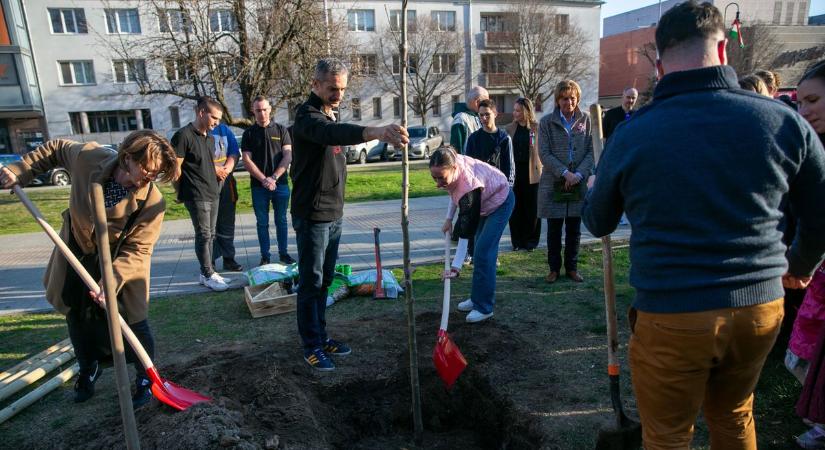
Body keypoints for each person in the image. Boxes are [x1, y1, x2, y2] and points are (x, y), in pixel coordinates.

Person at [582, 2, 825, 448]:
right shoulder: (783, 121)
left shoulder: (635, 133)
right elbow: (821, 207)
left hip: (674, 311)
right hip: (758, 308)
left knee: (669, 434)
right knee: (733, 416)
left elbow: (598, 220)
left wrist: (597, 184)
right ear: (724, 53)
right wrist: (801, 261)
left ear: (659, 63)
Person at [0, 131, 179, 408]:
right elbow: (56, 149)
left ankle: (145, 378)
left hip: (120, 261)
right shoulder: (89, 158)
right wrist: (20, 171)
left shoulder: (151, 201)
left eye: (155, 175)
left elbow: (139, 250)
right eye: (147, 170)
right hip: (76, 250)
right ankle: (88, 368)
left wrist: (111, 281)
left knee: (133, 321)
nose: (149, 179)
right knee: (77, 314)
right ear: (128, 157)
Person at [291, 58, 408, 371]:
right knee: (311, 282)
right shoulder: (306, 116)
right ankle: (311, 345)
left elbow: (335, 132)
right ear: (315, 84)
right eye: (332, 88)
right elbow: (332, 133)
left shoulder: (330, 113)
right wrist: (376, 132)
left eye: (342, 89)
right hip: (312, 214)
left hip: (334, 214)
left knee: (325, 280)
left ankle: (321, 335)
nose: (337, 94)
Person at [434, 146, 514, 323]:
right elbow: (453, 193)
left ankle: (484, 307)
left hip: (501, 202)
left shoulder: (468, 186)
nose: (438, 183)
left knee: (484, 253)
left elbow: (466, 231)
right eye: (435, 177)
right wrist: (448, 219)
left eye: (441, 178)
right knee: (479, 252)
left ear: (454, 168)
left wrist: (456, 267)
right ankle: (477, 298)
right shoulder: (451, 164)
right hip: (483, 203)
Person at [791, 60, 825, 449]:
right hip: (818, 271)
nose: (805, 112)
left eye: (813, 100)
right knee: (804, 357)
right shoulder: (812, 146)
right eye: (800, 103)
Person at [537, 79, 594, 284]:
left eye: (572, 98)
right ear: (557, 100)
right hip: (554, 181)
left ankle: (572, 268)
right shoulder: (545, 122)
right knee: (553, 230)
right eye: (564, 98)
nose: (568, 102)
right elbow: (544, 153)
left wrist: (578, 174)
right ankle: (553, 269)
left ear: (577, 99)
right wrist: (564, 173)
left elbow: (591, 150)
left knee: (574, 229)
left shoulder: (587, 120)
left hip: (578, 182)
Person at [172, 96, 229, 292]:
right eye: (214, 118)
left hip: (213, 191)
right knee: (204, 234)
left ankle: (209, 272)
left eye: (219, 119)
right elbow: (175, 168)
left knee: (211, 235)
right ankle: (207, 273)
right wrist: (179, 192)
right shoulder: (183, 136)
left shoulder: (209, 137)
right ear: (201, 112)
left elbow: (204, 163)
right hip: (195, 194)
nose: (217, 123)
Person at [242, 95, 296, 266]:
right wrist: (264, 179)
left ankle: (284, 254)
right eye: (258, 110)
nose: (262, 113)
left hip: (280, 185)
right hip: (258, 187)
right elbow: (246, 160)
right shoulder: (249, 133)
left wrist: (273, 178)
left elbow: (288, 156)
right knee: (262, 222)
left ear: (270, 109)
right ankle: (265, 256)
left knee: (281, 220)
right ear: (253, 111)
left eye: (265, 109)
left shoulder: (281, 130)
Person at [461, 99, 514, 263]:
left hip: (497, 191)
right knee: (477, 226)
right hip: (477, 190)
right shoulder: (474, 139)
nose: (484, 118)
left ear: (495, 114)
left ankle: (492, 256)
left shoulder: (504, 138)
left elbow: (509, 169)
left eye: (487, 114)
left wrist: (507, 192)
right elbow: (467, 166)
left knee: (492, 229)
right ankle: (474, 254)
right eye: (481, 115)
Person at [504, 97, 542, 251]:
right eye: (514, 110)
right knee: (515, 208)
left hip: (532, 173)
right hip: (515, 173)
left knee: (532, 209)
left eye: (518, 110)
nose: (515, 113)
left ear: (526, 111)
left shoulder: (536, 128)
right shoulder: (509, 128)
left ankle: (531, 242)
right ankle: (517, 242)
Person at [211, 122, 242, 272]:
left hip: (227, 182)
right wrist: (214, 170)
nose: (215, 120)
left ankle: (229, 259)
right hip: (207, 183)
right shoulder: (196, 132)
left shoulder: (225, 130)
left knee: (227, 224)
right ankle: (209, 262)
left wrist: (226, 170)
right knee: (209, 226)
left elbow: (234, 153)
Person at [450, 86, 489, 154]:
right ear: (477, 102)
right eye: (485, 102)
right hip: (467, 164)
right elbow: (456, 151)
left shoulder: (478, 116)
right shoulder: (460, 119)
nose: (487, 106)